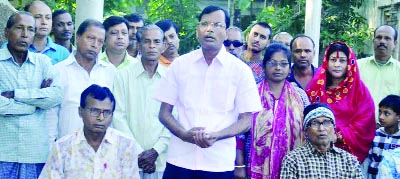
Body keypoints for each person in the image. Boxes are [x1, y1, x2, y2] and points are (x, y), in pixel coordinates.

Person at [154, 5, 262, 179]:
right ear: (198, 30)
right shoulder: (180, 65)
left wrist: (217, 135)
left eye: (217, 25)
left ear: (226, 32)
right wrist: (184, 135)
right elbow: (164, 113)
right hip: (180, 160)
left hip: (218, 163)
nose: (209, 29)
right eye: (205, 24)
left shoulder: (240, 71)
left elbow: (246, 121)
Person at [0, 11, 63, 178]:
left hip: (35, 154)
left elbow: (56, 95)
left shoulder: (42, 62)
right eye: (19, 28)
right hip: (3, 153)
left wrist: (15, 94)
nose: (24, 34)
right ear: (7, 32)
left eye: (30, 30)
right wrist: (35, 104)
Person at [39, 84, 140, 179]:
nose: (101, 118)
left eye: (107, 112)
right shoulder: (62, 147)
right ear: (80, 111)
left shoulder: (125, 145)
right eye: (94, 111)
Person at [240, 43, 307, 179]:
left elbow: (308, 130)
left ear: (289, 68)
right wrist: (239, 165)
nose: (278, 68)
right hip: (253, 168)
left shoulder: (300, 96)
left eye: (283, 64)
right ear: (264, 66)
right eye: (272, 63)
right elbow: (240, 134)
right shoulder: (252, 94)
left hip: (293, 167)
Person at [113, 24, 170, 179]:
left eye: (156, 42)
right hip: (128, 160)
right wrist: (139, 153)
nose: (152, 46)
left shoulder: (171, 79)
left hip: (161, 160)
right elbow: (118, 117)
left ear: (163, 46)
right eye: (147, 41)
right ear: (138, 45)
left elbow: (174, 118)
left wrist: (156, 151)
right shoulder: (122, 76)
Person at [48, 19, 116, 143]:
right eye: (90, 38)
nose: (95, 45)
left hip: (102, 149)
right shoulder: (58, 71)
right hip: (67, 148)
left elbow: (114, 114)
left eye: (100, 41)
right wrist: (51, 147)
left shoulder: (110, 72)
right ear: (78, 38)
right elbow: (51, 115)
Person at [306, 41, 376, 162]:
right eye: (333, 60)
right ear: (327, 63)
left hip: (346, 156)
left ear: (349, 64)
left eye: (342, 61)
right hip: (314, 151)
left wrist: (337, 136)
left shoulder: (360, 91)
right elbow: (305, 117)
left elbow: (365, 122)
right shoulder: (315, 87)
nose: (337, 64)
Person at [280, 103, 363, 178]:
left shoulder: (349, 161)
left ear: (334, 128)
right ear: (306, 131)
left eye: (327, 122)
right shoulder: (293, 160)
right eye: (315, 123)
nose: (321, 128)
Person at [358, 25, 400, 126]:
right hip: (360, 128)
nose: (382, 41)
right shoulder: (357, 66)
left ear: (395, 43)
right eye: (379, 37)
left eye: (387, 38)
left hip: (390, 131)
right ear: (373, 41)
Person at [367, 95, 400, 178]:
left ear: (398, 116)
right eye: (380, 112)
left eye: (386, 113)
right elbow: (369, 160)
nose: (381, 117)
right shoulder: (375, 135)